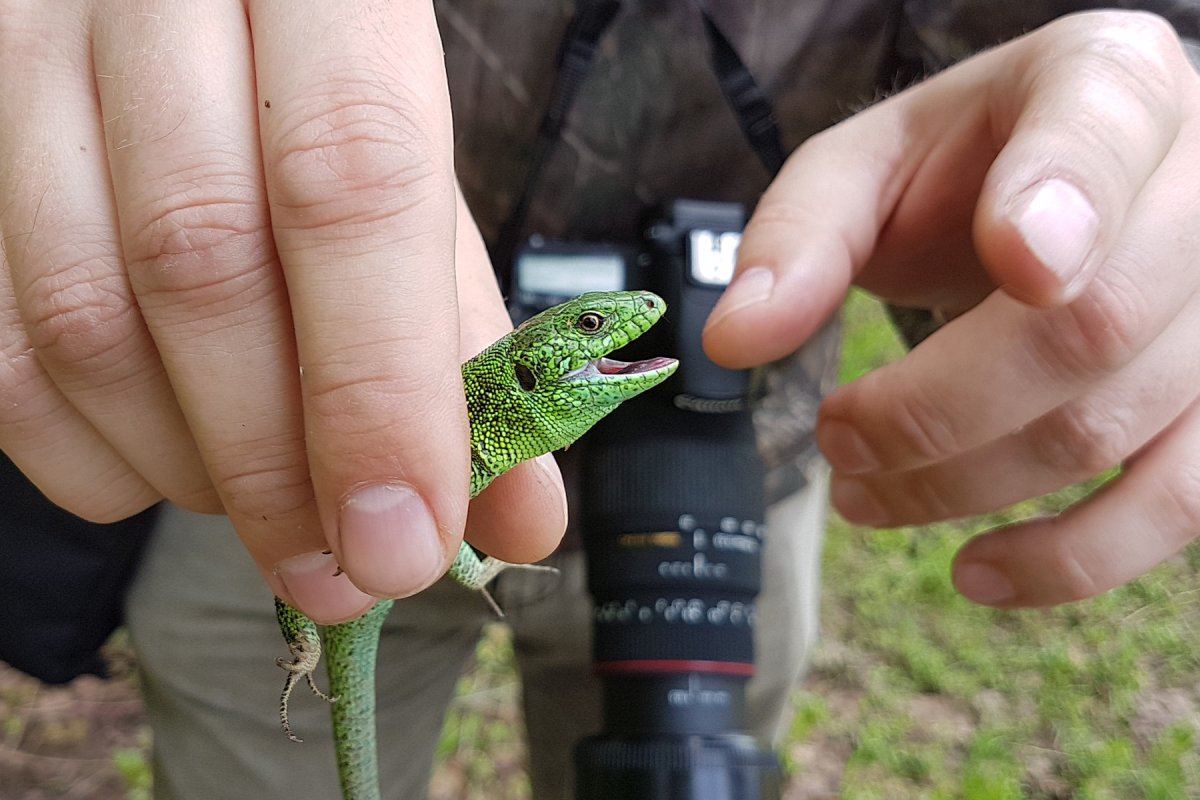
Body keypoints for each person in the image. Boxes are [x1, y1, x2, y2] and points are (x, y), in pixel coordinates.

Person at [2, 1, 1198, 797]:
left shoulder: (544, 397)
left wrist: (1147, 118)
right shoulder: (510, 404)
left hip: (729, 473)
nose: (622, 323)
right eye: (587, 332)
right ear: (533, 362)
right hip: (288, 451)